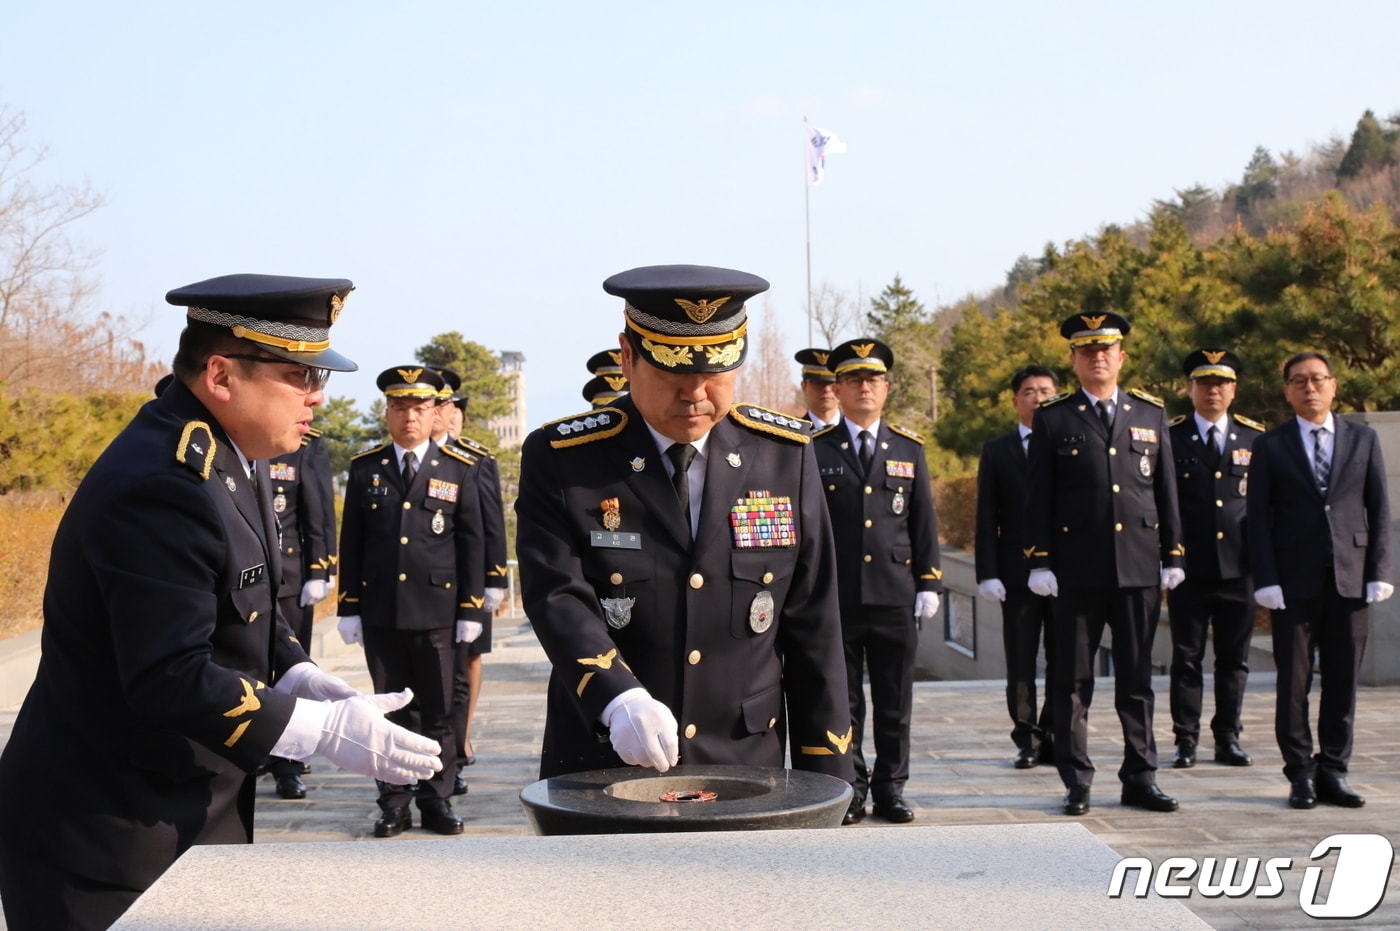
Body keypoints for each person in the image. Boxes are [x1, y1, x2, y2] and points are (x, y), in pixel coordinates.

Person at [0, 274, 442, 931]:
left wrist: (299, 674)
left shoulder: (238, 455)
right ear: (222, 374)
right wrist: (318, 731)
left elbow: (245, 601)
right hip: (104, 839)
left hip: (181, 818)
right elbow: (166, 674)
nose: (318, 395)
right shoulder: (163, 483)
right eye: (299, 374)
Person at [514, 264, 854, 787]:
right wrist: (616, 696)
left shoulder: (784, 456)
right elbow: (558, 594)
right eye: (675, 372)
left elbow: (814, 626)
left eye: (715, 372)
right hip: (607, 753)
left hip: (743, 760)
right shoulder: (565, 460)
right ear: (628, 357)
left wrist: (829, 776)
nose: (696, 393)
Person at [1025, 310, 1185, 816]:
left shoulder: (1151, 414)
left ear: (1121, 356)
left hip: (1138, 568)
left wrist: (1173, 554)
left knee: (1137, 681)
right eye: (1086, 349)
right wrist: (1041, 561)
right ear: (1073, 358)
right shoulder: (1054, 416)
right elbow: (1038, 498)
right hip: (1076, 569)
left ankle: (1141, 776)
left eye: (1106, 349)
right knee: (1071, 682)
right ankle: (1078, 779)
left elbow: (1166, 491)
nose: (1097, 357)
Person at [336, 366, 488, 837]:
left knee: (440, 711)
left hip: (439, 613)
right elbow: (353, 542)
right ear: (387, 411)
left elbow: (471, 543)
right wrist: (348, 606)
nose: (409, 419)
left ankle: (437, 799)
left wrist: (471, 608)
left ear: (434, 413)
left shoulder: (456, 468)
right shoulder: (367, 469)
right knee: (391, 712)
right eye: (400, 408)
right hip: (382, 611)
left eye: (419, 409)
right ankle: (394, 801)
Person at [1245, 351, 1393, 810]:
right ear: (1287, 391)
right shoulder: (1270, 446)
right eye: (1298, 381)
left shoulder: (1363, 439)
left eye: (1317, 379)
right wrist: (1266, 579)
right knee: (1294, 683)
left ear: (1333, 385)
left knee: (1342, 683)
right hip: (1292, 583)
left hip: (1350, 581)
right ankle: (1300, 774)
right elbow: (1257, 520)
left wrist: (1380, 572)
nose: (1309, 388)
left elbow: (1380, 510)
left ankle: (1334, 770)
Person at [812, 338, 942, 825]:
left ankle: (892, 789)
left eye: (872, 380)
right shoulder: (816, 449)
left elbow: (923, 522)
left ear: (886, 388)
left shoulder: (908, 448)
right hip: (838, 599)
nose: (864, 388)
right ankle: (853, 789)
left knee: (894, 702)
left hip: (894, 596)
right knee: (844, 704)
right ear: (838, 391)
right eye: (853, 380)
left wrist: (928, 582)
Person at [1165, 349, 1263, 771]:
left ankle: (1228, 738)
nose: (1213, 391)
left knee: (1233, 659)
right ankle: (1185, 739)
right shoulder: (1171, 436)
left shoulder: (1255, 438)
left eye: (1221, 383)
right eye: (1204, 383)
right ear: (1191, 388)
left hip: (1240, 568)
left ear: (1234, 389)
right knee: (1186, 659)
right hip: (1189, 569)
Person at [975, 364, 1059, 769]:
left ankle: (1055, 732)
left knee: (1065, 660)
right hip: (1015, 573)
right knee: (1021, 660)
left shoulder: (1069, 443)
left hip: (1063, 572)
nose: (1038, 397)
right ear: (1015, 401)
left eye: (1045, 391)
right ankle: (1026, 736)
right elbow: (986, 515)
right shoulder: (997, 449)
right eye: (1029, 391)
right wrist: (987, 572)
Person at [431, 367, 509, 794]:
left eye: (450, 406)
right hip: (426, 592)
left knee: (467, 663)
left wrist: (494, 582)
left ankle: (459, 738)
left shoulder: (476, 459)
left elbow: (491, 525)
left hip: (471, 584)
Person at [263, 422, 338, 799]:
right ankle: (256, 749)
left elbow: (319, 511)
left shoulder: (302, 445)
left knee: (291, 673)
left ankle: (289, 762)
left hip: (290, 579)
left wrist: (320, 570)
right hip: (239, 581)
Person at [794, 347, 838, 430]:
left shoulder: (857, 431)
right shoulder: (794, 434)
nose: (827, 389)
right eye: (818, 383)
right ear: (804, 386)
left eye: (832, 383)